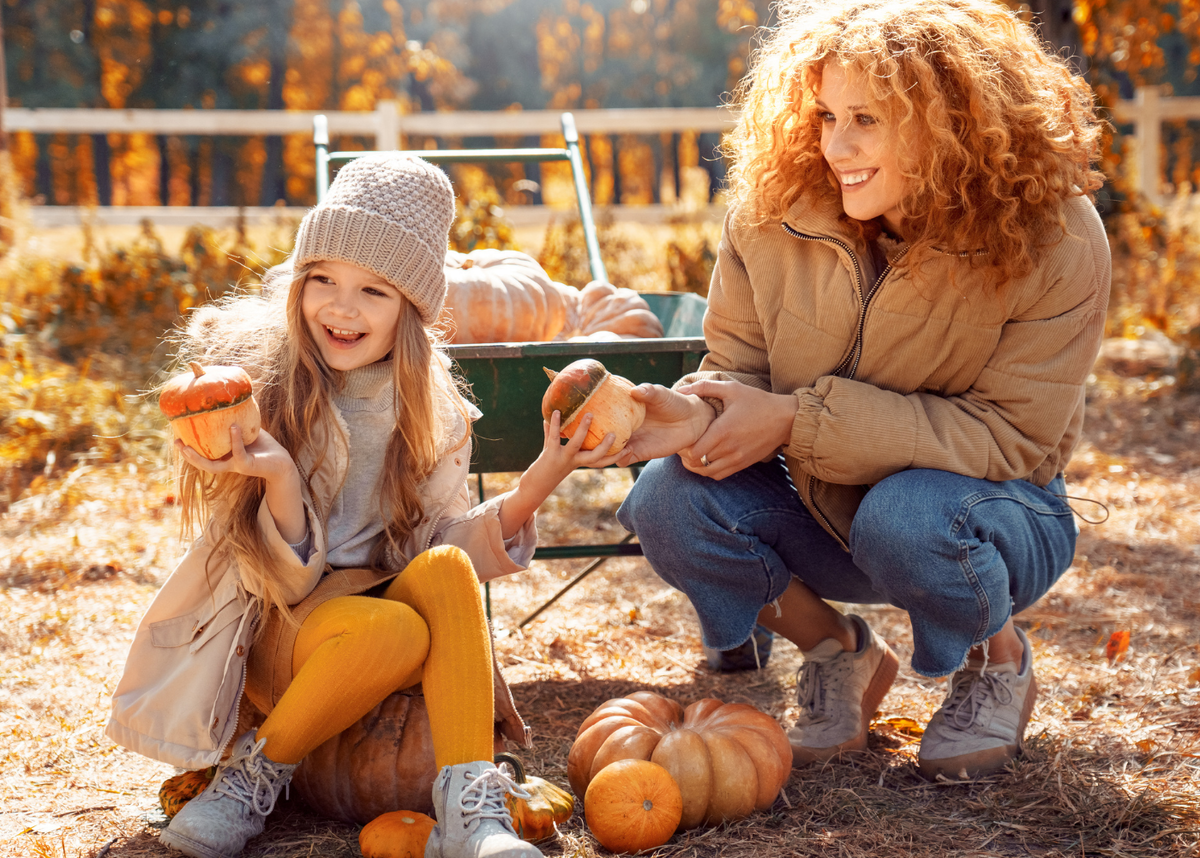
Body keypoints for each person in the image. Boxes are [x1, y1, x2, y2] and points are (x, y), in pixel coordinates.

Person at [614, 0, 1109, 780]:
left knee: (906, 513)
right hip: (821, 509)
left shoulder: (1055, 234)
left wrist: (796, 421)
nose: (835, 146)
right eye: (824, 115)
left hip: (985, 517)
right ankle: (837, 651)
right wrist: (687, 416)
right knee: (664, 498)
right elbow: (737, 370)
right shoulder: (768, 217)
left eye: (867, 120)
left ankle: (998, 659)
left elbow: (1012, 437)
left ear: (951, 122)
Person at [106, 155, 615, 858]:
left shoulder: (434, 411)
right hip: (288, 631)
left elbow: (438, 542)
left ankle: (472, 813)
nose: (341, 309)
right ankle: (253, 777)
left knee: (442, 573)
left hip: (387, 610)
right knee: (395, 631)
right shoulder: (262, 391)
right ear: (300, 283)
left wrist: (545, 473)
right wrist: (279, 476)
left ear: (411, 306)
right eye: (323, 280)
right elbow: (277, 583)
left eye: (374, 290)